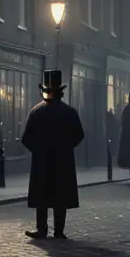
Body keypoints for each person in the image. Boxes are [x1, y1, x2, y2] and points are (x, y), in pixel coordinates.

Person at [22, 69, 85, 239]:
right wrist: (66, 148)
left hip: (42, 160)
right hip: (62, 160)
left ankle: (41, 229)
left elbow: (26, 138)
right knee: (60, 196)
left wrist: (37, 150)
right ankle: (59, 230)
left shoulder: (36, 111)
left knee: (42, 196)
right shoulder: (69, 112)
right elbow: (79, 135)